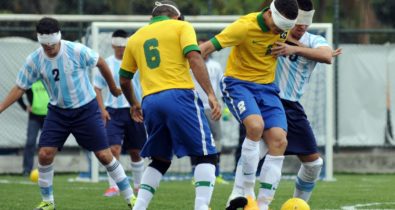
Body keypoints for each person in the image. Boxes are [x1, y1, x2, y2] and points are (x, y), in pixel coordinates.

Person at [0, 17, 136, 210]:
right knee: (45, 154)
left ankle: (130, 198)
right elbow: (20, 87)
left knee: (104, 156)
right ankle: (48, 202)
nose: (50, 49)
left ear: (59, 38)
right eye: (45, 46)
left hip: (86, 110)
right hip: (58, 113)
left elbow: (101, 63)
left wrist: (113, 88)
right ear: (40, 41)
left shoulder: (76, 50)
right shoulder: (34, 60)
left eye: (53, 45)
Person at [119, 1, 221, 210]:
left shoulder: (135, 38)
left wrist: (134, 104)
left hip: (150, 102)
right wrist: (211, 93)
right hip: (179, 96)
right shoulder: (182, 27)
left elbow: (124, 80)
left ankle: (139, 207)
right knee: (207, 154)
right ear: (176, 17)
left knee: (160, 159)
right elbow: (194, 57)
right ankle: (201, 207)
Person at [199, 0, 299, 209]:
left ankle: (262, 205)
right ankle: (245, 192)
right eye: (278, 26)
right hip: (238, 84)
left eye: (284, 29)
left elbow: (294, 41)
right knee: (255, 126)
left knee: (279, 141)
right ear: (270, 14)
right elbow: (204, 49)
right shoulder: (243, 26)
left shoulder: (283, 29)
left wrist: (291, 48)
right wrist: (207, 90)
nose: (279, 31)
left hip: (268, 89)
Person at [270, 0, 341, 202]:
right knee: (257, 154)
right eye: (298, 24)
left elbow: (327, 56)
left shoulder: (312, 40)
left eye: (306, 25)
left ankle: (297, 204)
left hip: (291, 107)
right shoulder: (275, 33)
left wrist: (295, 49)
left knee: (314, 164)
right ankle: (244, 198)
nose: (302, 28)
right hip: (267, 100)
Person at [94, 29, 147, 197]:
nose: (121, 49)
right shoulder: (105, 64)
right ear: (113, 45)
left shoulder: (137, 62)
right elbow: (97, 87)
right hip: (113, 112)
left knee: (136, 151)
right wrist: (102, 110)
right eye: (118, 46)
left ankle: (138, 185)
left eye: (123, 46)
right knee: (113, 149)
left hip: (135, 110)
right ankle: (115, 186)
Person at [190, 39, 228, 185]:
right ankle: (195, 174)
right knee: (196, 140)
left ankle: (217, 173)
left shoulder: (216, 66)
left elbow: (221, 85)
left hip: (212, 108)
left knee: (217, 140)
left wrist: (224, 107)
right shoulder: (191, 64)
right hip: (194, 107)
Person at [17, 80, 50, 176]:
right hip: (34, 117)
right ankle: (27, 170)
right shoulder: (30, 83)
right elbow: (18, 94)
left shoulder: (48, 80)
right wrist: (25, 107)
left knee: (48, 145)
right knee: (30, 142)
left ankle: (46, 171)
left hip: (49, 118)